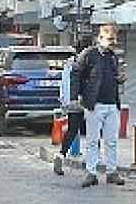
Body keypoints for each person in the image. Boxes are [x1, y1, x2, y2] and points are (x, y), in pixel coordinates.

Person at [74, 24, 127, 187]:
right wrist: (76, 97)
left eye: (114, 39)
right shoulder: (89, 54)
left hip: (112, 104)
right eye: (110, 39)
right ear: (100, 38)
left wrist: (120, 79)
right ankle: (91, 173)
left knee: (111, 141)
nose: (113, 42)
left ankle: (112, 172)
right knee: (92, 140)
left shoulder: (113, 56)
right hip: (94, 104)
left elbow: (115, 76)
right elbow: (77, 74)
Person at [54, 35, 94, 176]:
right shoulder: (86, 63)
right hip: (85, 101)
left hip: (72, 102)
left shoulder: (69, 63)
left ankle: (60, 155)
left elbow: (64, 83)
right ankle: (94, 163)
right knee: (93, 131)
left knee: (72, 130)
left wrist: (65, 100)